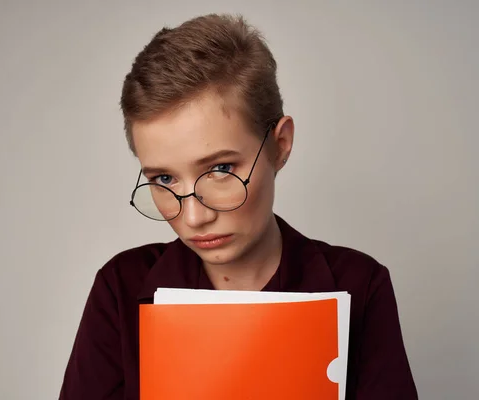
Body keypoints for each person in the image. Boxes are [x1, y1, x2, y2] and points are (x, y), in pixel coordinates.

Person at [59, 13, 418, 400]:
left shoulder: (360, 286)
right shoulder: (120, 288)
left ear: (280, 145)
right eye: (164, 179)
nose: (194, 217)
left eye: (220, 169)